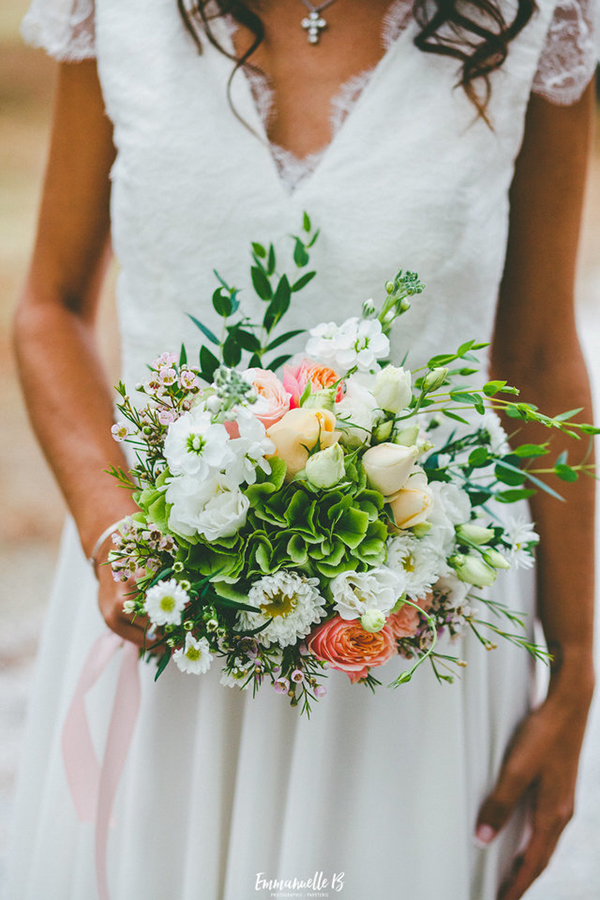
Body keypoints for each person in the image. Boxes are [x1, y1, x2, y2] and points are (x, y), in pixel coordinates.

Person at [7, 1, 598, 898]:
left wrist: (576, 670)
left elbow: (540, 356)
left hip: (413, 652)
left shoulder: (536, 21)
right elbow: (48, 306)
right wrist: (112, 530)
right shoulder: (117, 11)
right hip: (160, 616)